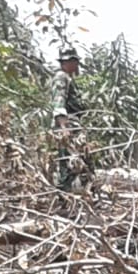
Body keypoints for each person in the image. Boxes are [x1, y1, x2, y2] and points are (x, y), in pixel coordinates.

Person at [50, 48, 89, 192]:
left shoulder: (68, 78)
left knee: (79, 161)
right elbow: (58, 103)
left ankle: (77, 193)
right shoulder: (61, 77)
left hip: (73, 125)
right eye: (75, 62)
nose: (77, 65)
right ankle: (63, 197)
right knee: (67, 163)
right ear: (68, 62)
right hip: (67, 126)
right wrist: (64, 128)